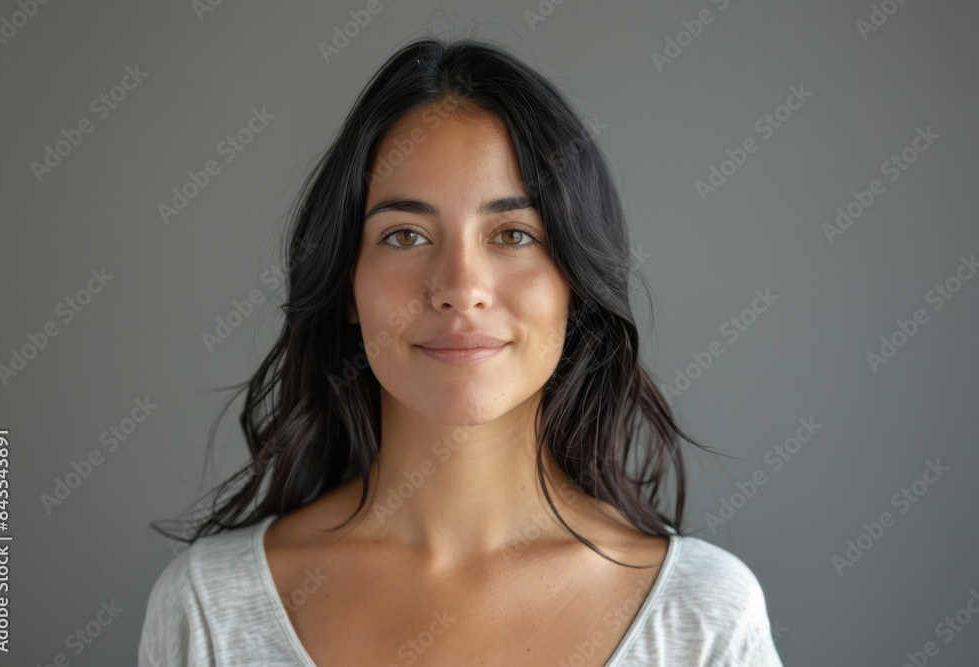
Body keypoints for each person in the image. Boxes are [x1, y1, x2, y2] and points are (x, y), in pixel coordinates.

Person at [138, 35, 784, 666]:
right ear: (345, 287)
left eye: (512, 233)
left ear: (576, 288)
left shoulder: (702, 618)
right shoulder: (209, 610)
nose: (460, 288)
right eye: (405, 235)